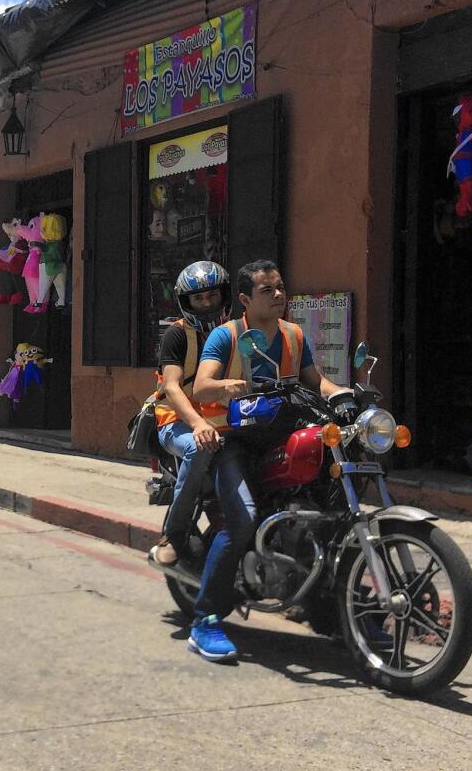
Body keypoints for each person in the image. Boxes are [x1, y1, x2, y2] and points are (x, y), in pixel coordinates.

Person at [187, 260, 348, 662]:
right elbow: (202, 385)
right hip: (235, 442)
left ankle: (342, 613)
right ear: (244, 299)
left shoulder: (293, 334)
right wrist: (225, 386)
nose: (279, 295)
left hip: (283, 433)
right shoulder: (227, 337)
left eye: (280, 288)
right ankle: (205, 620)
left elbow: (315, 379)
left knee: (337, 508)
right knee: (240, 519)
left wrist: (342, 393)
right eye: (267, 290)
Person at [148, 261, 233, 568]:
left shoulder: (236, 332)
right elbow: (171, 387)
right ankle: (174, 533)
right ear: (186, 303)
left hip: (226, 422)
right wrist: (197, 424)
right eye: (198, 299)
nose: (207, 304)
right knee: (199, 449)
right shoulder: (177, 336)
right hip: (177, 422)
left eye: (212, 296)